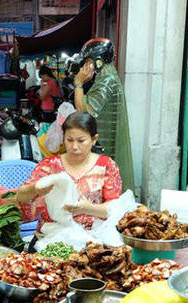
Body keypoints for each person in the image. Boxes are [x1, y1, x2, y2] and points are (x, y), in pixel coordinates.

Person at [16, 112, 122, 239]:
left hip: (92, 239)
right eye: (69, 140)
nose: (74, 147)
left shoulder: (106, 166)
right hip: (50, 238)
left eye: (81, 141)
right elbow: (20, 196)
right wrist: (34, 189)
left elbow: (114, 208)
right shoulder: (49, 165)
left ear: (94, 139)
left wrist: (88, 208)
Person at [72, 38, 135, 193]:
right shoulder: (106, 78)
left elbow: (83, 111)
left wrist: (78, 83)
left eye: (87, 61)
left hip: (105, 148)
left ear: (98, 62)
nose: (85, 66)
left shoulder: (106, 81)